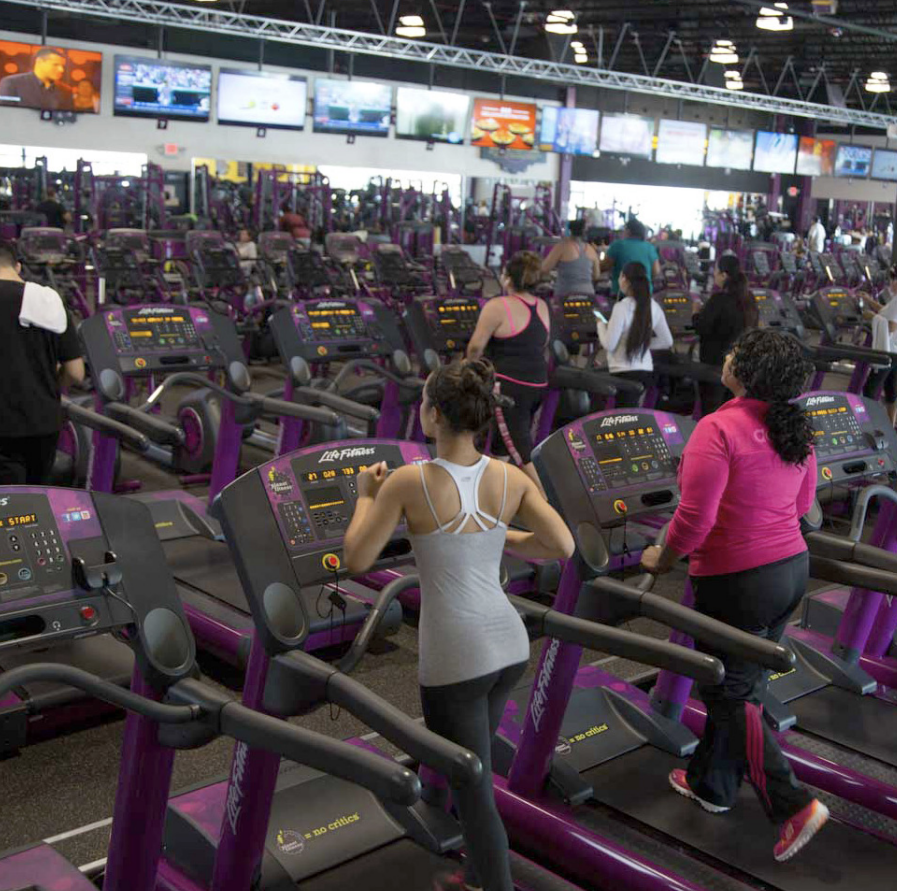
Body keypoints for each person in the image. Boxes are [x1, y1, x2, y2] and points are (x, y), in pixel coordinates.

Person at [344, 358, 574, 891]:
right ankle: (475, 875)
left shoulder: (407, 482)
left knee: (475, 791)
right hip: (509, 646)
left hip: (456, 658)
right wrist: (497, 535)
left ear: (433, 416)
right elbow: (560, 546)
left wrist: (364, 497)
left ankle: (493, 884)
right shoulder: (509, 477)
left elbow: (357, 558)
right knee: (472, 764)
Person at [641, 329, 829, 863]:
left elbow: (694, 520)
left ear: (744, 371)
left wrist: (662, 558)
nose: (725, 355)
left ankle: (791, 804)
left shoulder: (717, 427)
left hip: (739, 581)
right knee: (742, 681)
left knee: (730, 694)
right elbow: (803, 503)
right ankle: (712, 784)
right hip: (791, 570)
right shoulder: (795, 426)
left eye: (733, 352)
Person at [0, 242, 84, 484]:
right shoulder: (48, 300)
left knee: (9, 510)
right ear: (17, 266)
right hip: (42, 421)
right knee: (37, 501)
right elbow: (76, 373)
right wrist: (49, 386)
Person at [467, 251, 550, 491]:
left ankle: (552, 503)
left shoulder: (497, 306)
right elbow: (541, 345)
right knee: (502, 444)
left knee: (521, 450)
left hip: (510, 387)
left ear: (507, 279)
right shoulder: (542, 306)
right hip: (538, 384)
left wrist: (465, 369)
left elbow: (475, 347)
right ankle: (489, 495)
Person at [596, 261, 673, 407]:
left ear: (624, 279)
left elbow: (609, 344)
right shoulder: (653, 306)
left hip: (622, 373)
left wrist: (600, 323)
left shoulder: (621, 307)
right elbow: (667, 341)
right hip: (646, 372)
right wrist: (642, 342)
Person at [692, 254, 759, 414]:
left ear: (724, 275)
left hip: (714, 365)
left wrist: (695, 313)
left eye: (716, 271)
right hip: (740, 365)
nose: (714, 275)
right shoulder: (749, 299)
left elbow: (701, 327)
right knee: (730, 411)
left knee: (711, 411)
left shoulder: (719, 299)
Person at [863, 263, 897, 425]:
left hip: (888, 351)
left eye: (894, 280)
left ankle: (871, 424)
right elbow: (886, 311)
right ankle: (891, 424)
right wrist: (869, 301)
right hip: (894, 351)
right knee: (891, 390)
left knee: (870, 389)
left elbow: (891, 326)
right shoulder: (895, 300)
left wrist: (872, 317)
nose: (892, 284)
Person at [601, 217, 662, 298]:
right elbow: (656, 271)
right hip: (645, 294)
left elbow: (605, 266)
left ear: (628, 231)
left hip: (622, 293)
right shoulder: (649, 247)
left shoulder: (618, 245)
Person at [541, 218, 601, 298]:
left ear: (569, 231)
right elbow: (596, 275)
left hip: (565, 295)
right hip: (588, 295)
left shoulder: (562, 246)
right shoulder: (591, 249)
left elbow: (544, 268)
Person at [0, 46, 72, 112]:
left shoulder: (65, 91)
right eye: (55, 65)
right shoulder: (12, 83)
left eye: (62, 66)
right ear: (39, 62)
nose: (61, 70)